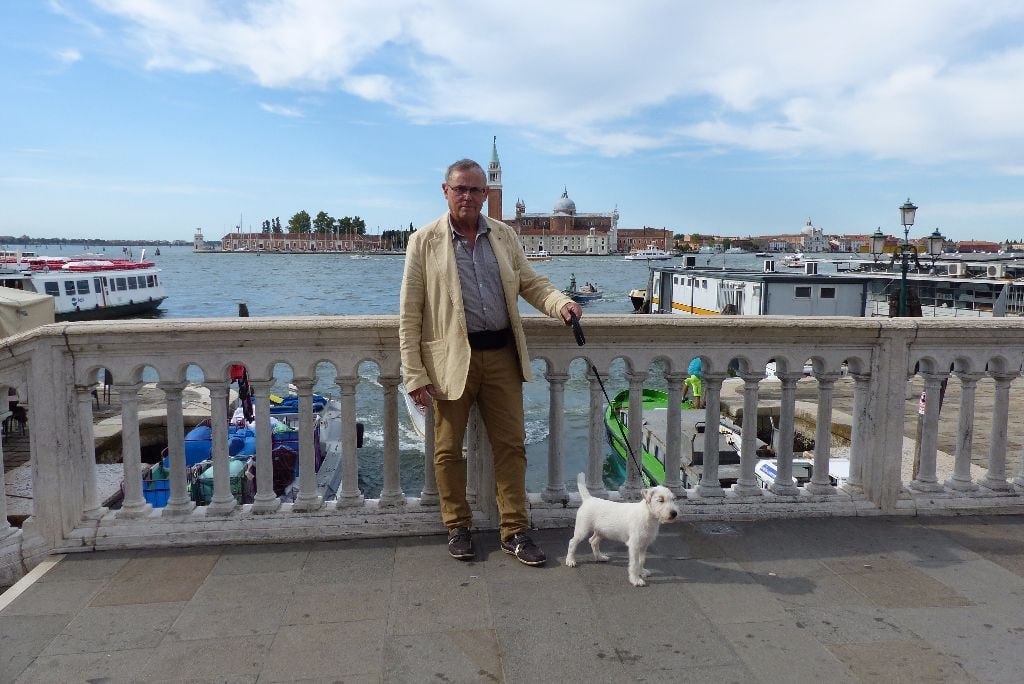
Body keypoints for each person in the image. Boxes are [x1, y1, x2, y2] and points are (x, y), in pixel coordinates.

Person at [400, 158, 583, 566]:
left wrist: (561, 304)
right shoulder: (423, 241)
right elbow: (409, 314)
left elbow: (532, 283)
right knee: (448, 450)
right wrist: (414, 373)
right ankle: (457, 526)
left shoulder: (503, 235)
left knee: (511, 446)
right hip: (451, 361)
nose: (467, 196)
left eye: (475, 189)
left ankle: (514, 530)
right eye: (460, 189)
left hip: (501, 356)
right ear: (445, 191)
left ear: (486, 194)